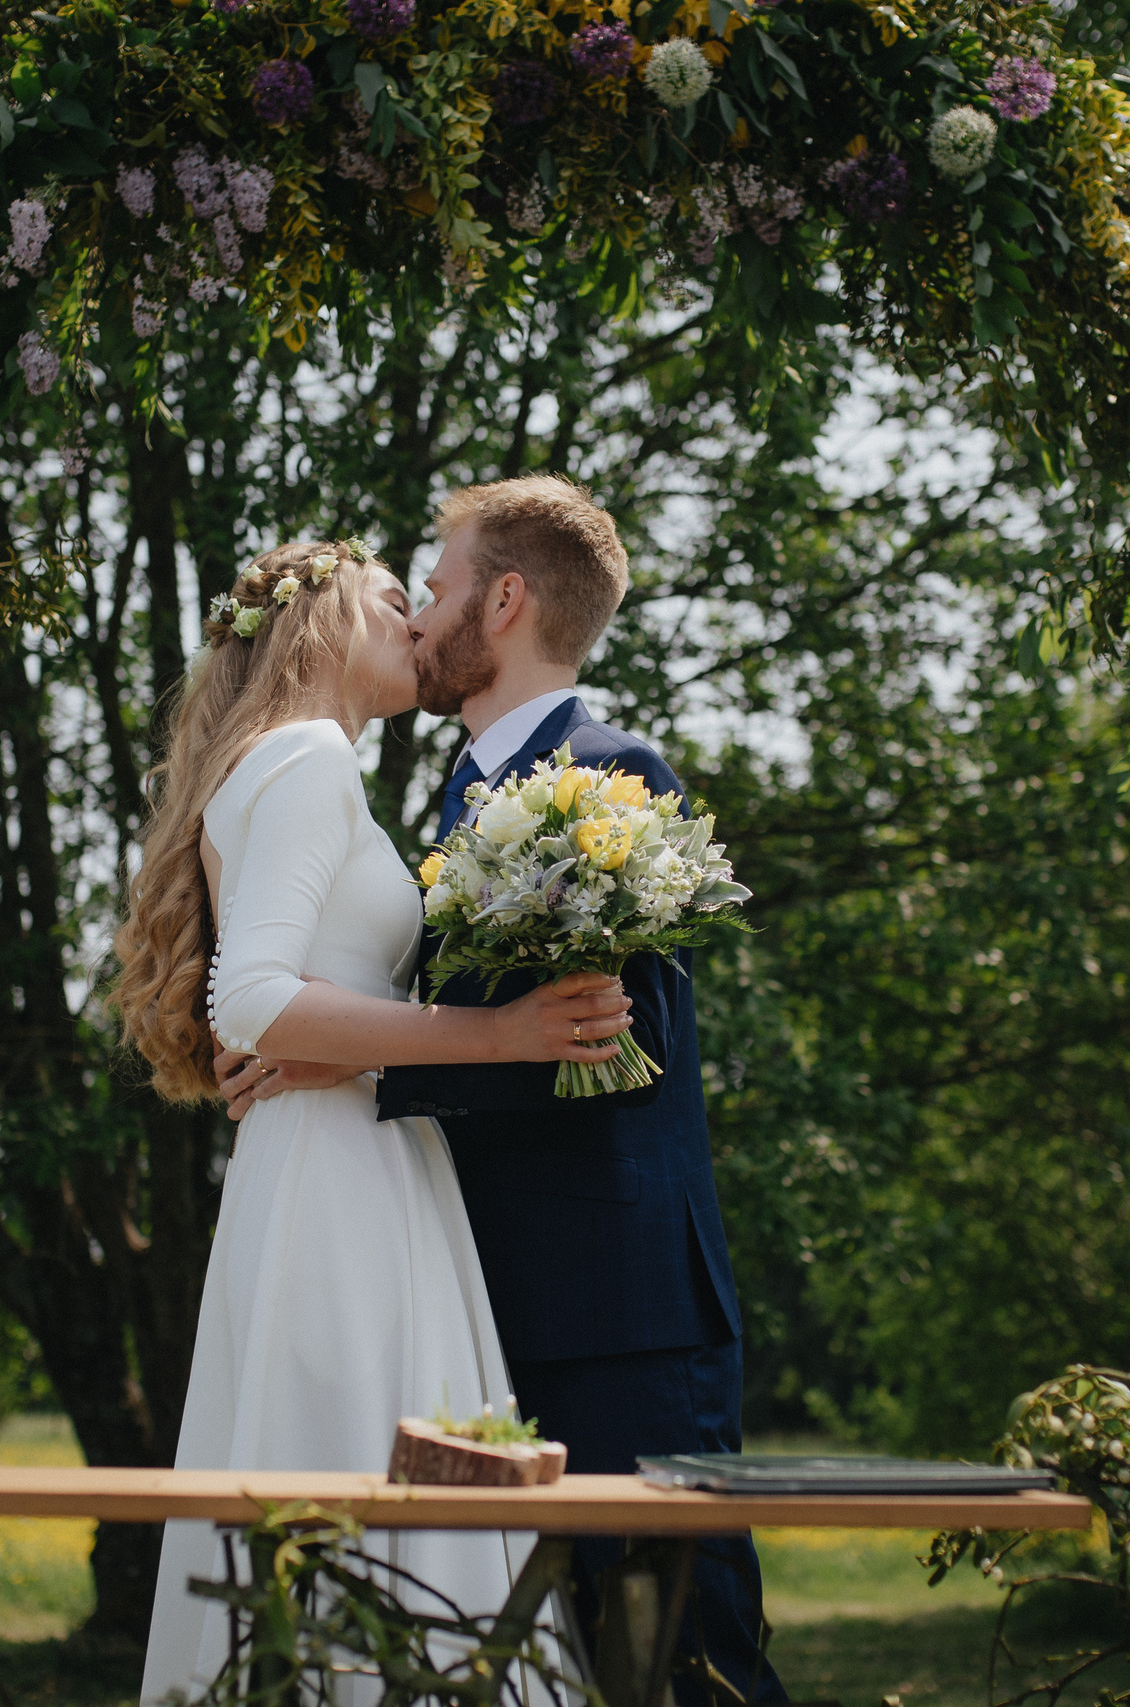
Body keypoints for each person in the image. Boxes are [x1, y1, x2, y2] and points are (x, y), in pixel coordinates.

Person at [220, 479, 786, 1707]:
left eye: (435, 588)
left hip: (620, 1313)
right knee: (529, 1656)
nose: (418, 616)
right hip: (474, 1301)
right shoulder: (454, 798)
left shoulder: (611, 773)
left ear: (505, 600)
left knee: (686, 1658)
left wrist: (366, 1058)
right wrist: (305, 1039)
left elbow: (626, 1049)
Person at [112, 539, 636, 1705]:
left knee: (350, 1481)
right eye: (396, 600)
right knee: (362, 1471)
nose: (417, 623)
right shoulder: (305, 756)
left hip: (334, 1154)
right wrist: (501, 1034)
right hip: (340, 1178)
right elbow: (252, 1000)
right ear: (319, 624)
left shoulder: (282, 762)